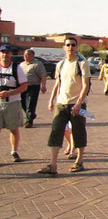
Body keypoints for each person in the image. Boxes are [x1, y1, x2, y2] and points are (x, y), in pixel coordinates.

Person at [38, 37, 90, 174]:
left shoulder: (82, 64)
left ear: (76, 47)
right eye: (68, 45)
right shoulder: (60, 65)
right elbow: (57, 84)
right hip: (62, 104)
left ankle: (79, 161)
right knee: (56, 132)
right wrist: (51, 100)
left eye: (73, 45)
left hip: (77, 105)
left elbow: (86, 85)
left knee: (79, 132)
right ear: (64, 47)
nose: (70, 47)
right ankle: (53, 164)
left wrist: (79, 102)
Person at [0, 44, 28, 162]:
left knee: (13, 129)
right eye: (2, 52)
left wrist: (9, 93)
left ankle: (14, 151)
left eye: (7, 52)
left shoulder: (17, 68)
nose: (5, 55)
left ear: (11, 54)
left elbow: (24, 86)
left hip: (13, 102)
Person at [19, 48, 47, 128]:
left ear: (33, 56)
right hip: (23, 87)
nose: (26, 56)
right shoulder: (22, 65)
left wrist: (43, 85)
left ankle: (29, 121)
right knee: (22, 103)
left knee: (30, 103)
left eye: (28, 55)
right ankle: (31, 115)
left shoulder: (37, 64)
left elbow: (43, 75)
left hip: (33, 86)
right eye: (25, 55)